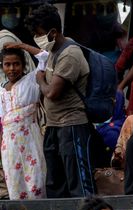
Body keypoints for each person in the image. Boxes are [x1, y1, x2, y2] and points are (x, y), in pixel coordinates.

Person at [25, 4, 95, 198]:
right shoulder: (55, 49)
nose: (37, 39)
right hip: (55, 125)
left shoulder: (69, 54)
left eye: (39, 34)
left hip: (72, 125)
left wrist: (39, 79)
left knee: (78, 182)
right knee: (55, 182)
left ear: (53, 32)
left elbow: (52, 92)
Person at [0, 47, 46, 200]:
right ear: (2, 66)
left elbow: (44, 55)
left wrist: (21, 46)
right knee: (15, 182)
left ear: (24, 65)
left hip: (30, 140)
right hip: (9, 146)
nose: (12, 68)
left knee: (36, 180)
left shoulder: (32, 79)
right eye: (7, 64)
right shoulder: (1, 91)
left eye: (16, 64)